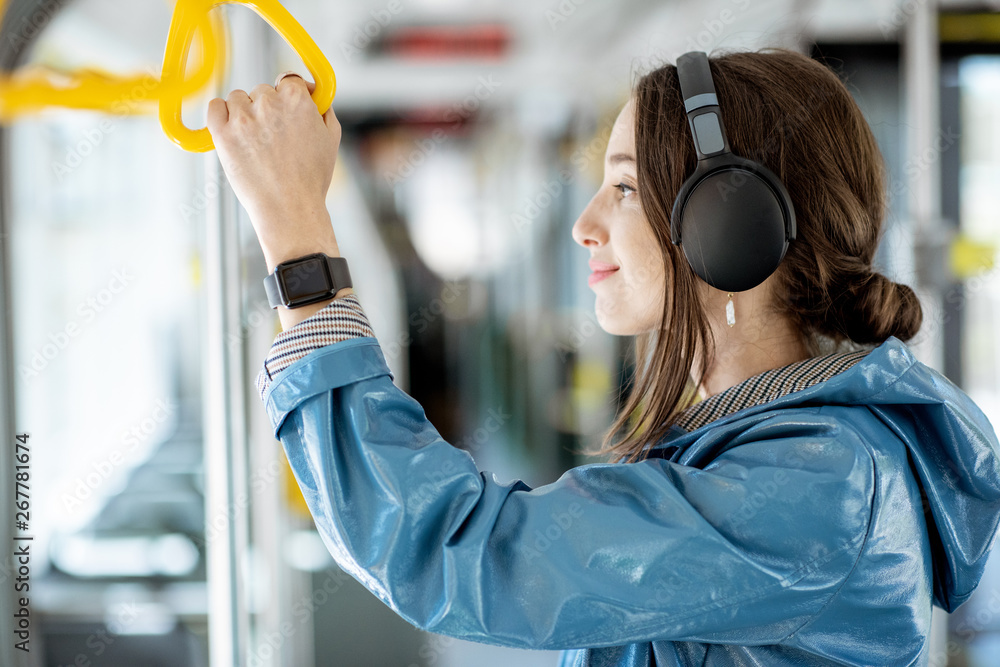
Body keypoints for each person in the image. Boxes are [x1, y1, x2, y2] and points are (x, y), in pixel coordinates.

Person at [207, 48, 1000, 666]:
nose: (585, 225)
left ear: (729, 221)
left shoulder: (818, 494)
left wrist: (297, 238)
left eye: (624, 188)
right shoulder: (779, 457)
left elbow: (455, 552)